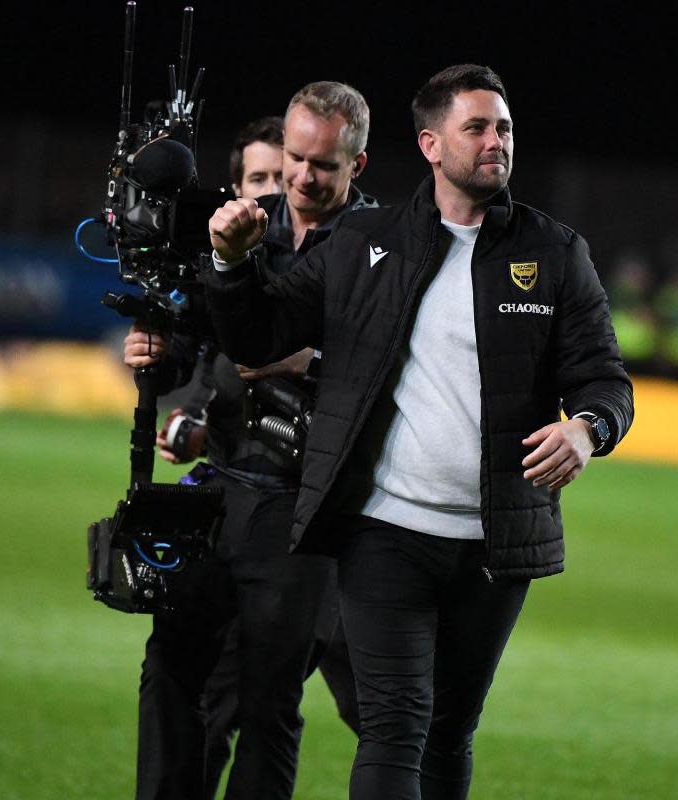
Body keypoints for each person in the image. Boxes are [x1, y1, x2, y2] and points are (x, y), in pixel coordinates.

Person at [201, 64, 634, 799]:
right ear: (432, 145)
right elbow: (259, 333)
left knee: (449, 733)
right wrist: (230, 262)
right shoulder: (365, 241)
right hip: (384, 534)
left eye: (503, 127)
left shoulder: (556, 253)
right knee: (395, 725)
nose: (496, 141)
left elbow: (604, 379)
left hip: (496, 545)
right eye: (477, 127)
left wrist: (588, 430)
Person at [123, 83, 377, 800]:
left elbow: (394, 369)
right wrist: (155, 350)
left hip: (306, 508)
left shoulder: (382, 249)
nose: (300, 177)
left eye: (322, 166)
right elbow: (196, 344)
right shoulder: (245, 225)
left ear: (358, 164)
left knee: (268, 700)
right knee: (169, 667)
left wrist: (308, 361)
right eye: (293, 159)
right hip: (222, 488)